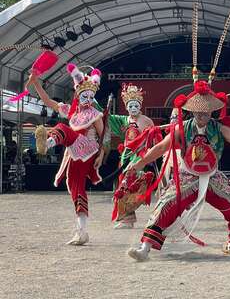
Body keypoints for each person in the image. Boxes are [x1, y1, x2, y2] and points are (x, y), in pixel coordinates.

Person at [126, 80, 230, 261]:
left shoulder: (219, 128)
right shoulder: (181, 128)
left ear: (211, 111)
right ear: (191, 111)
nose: (202, 114)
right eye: (198, 110)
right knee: (166, 206)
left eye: (205, 111)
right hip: (187, 176)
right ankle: (145, 248)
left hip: (213, 176)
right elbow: (160, 148)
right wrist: (138, 164)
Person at [26, 63, 105, 245]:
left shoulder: (95, 114)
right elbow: (47, 101)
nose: (87, 98)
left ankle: (47, 143)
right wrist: (36, 82)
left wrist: (101, 156)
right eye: (85, 95)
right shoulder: (70, 110)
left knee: (62, 127)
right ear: (78, 93)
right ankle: (82, 231)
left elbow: (104, 138)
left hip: (88, 148)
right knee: (75, 187)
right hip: (74, 153)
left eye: (91, 96)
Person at [108, 83, 154, 229]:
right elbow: (107, 117)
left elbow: (154, 138)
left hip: (138, 157)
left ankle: (128, 218)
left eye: (136, 105)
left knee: (128, 184)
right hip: (125, 156)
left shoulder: (146, 121)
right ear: (126, 107)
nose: (133, 108)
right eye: (130, 106)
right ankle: (127, 218)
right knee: (122, 184)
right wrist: (105, 107)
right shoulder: (124, 120)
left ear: (140, 106)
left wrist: (149, 153)